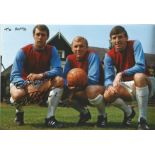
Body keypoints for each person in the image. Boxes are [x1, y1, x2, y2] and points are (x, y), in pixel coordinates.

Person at [10, 24, 64, 128]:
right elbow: (14, 75)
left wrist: (41, 75)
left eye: (43, 35)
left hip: (42, 80)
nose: (40, 37)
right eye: (38, 34)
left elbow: (58, 69)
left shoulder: (52, 50)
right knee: (16, 95)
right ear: (33, 36)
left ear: (47, 37)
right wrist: (26, 84)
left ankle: (50, 118)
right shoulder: (22, 51)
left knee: (59, 80)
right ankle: (19, 112)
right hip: (23, 81)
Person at [103, 25, 155, 129]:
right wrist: (109, 86)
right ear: (111, 41)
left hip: (146, 82)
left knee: (138, 76)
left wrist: (121, 73)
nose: (117, 40)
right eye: (114, 38)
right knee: (107, 94)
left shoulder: (135, 44)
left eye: (120, 37)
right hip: (127, 85)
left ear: (126, 38)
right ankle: (129, 112)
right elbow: (108, 77)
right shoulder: (108, 55)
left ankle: (142, 119)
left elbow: (140, 66)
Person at [63, 36, 106, 128]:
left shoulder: (92, 56)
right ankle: (84, 113)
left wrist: (76, 85)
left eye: (81, 46)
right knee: (61, 91)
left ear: (87, 48)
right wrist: (69, 86)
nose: (78, 49)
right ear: (71, 48)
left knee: (91, 89)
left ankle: (102, 116)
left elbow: (94, 80)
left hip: (97, 88)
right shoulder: (69, 58)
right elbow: (65, 78)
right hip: (80, 88)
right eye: (76, 46)